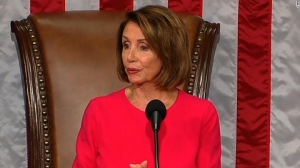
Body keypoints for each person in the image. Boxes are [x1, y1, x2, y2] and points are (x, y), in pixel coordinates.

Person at [72, 5, 221, 168]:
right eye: (126, 45)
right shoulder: (99, 111)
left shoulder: (202, 114)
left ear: (168, 53)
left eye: (143, 47)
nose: (130, 57)